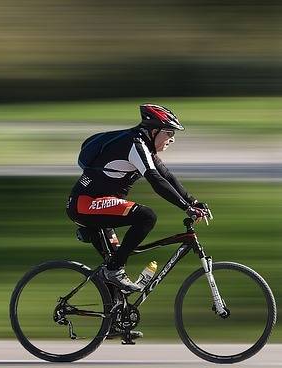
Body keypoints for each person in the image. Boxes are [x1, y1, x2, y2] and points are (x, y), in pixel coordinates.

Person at [67, 104, 211, 294]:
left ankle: (115, 316)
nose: (172, 139)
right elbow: (156, 181)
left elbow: (167, 176)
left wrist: (192, 201)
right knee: (146, 216)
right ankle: (113, 270)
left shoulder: (143, 146)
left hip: (95, 205)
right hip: (86, 205)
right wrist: (186, 208)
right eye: (169, 132)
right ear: (153, 131)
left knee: (115, 284)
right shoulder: (135, 145)